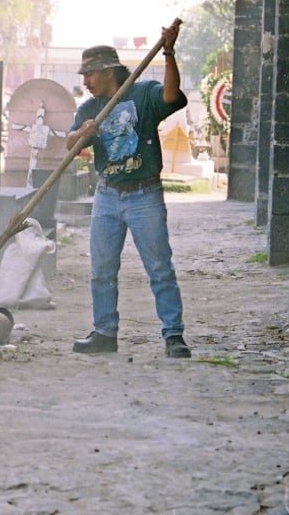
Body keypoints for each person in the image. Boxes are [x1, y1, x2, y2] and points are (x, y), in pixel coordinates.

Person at [65, 19, 191, 358]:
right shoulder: (89, 109)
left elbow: (172, 96)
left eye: (90, 74)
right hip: (107, 196)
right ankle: (105, 332)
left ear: (108, 71)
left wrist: (168, 52)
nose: (86, 82)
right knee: (102, 270)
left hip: (144, 194)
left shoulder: (142, 93)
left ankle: (173, 335)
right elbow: (69, 145)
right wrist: (83, 135)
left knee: (159, 268)